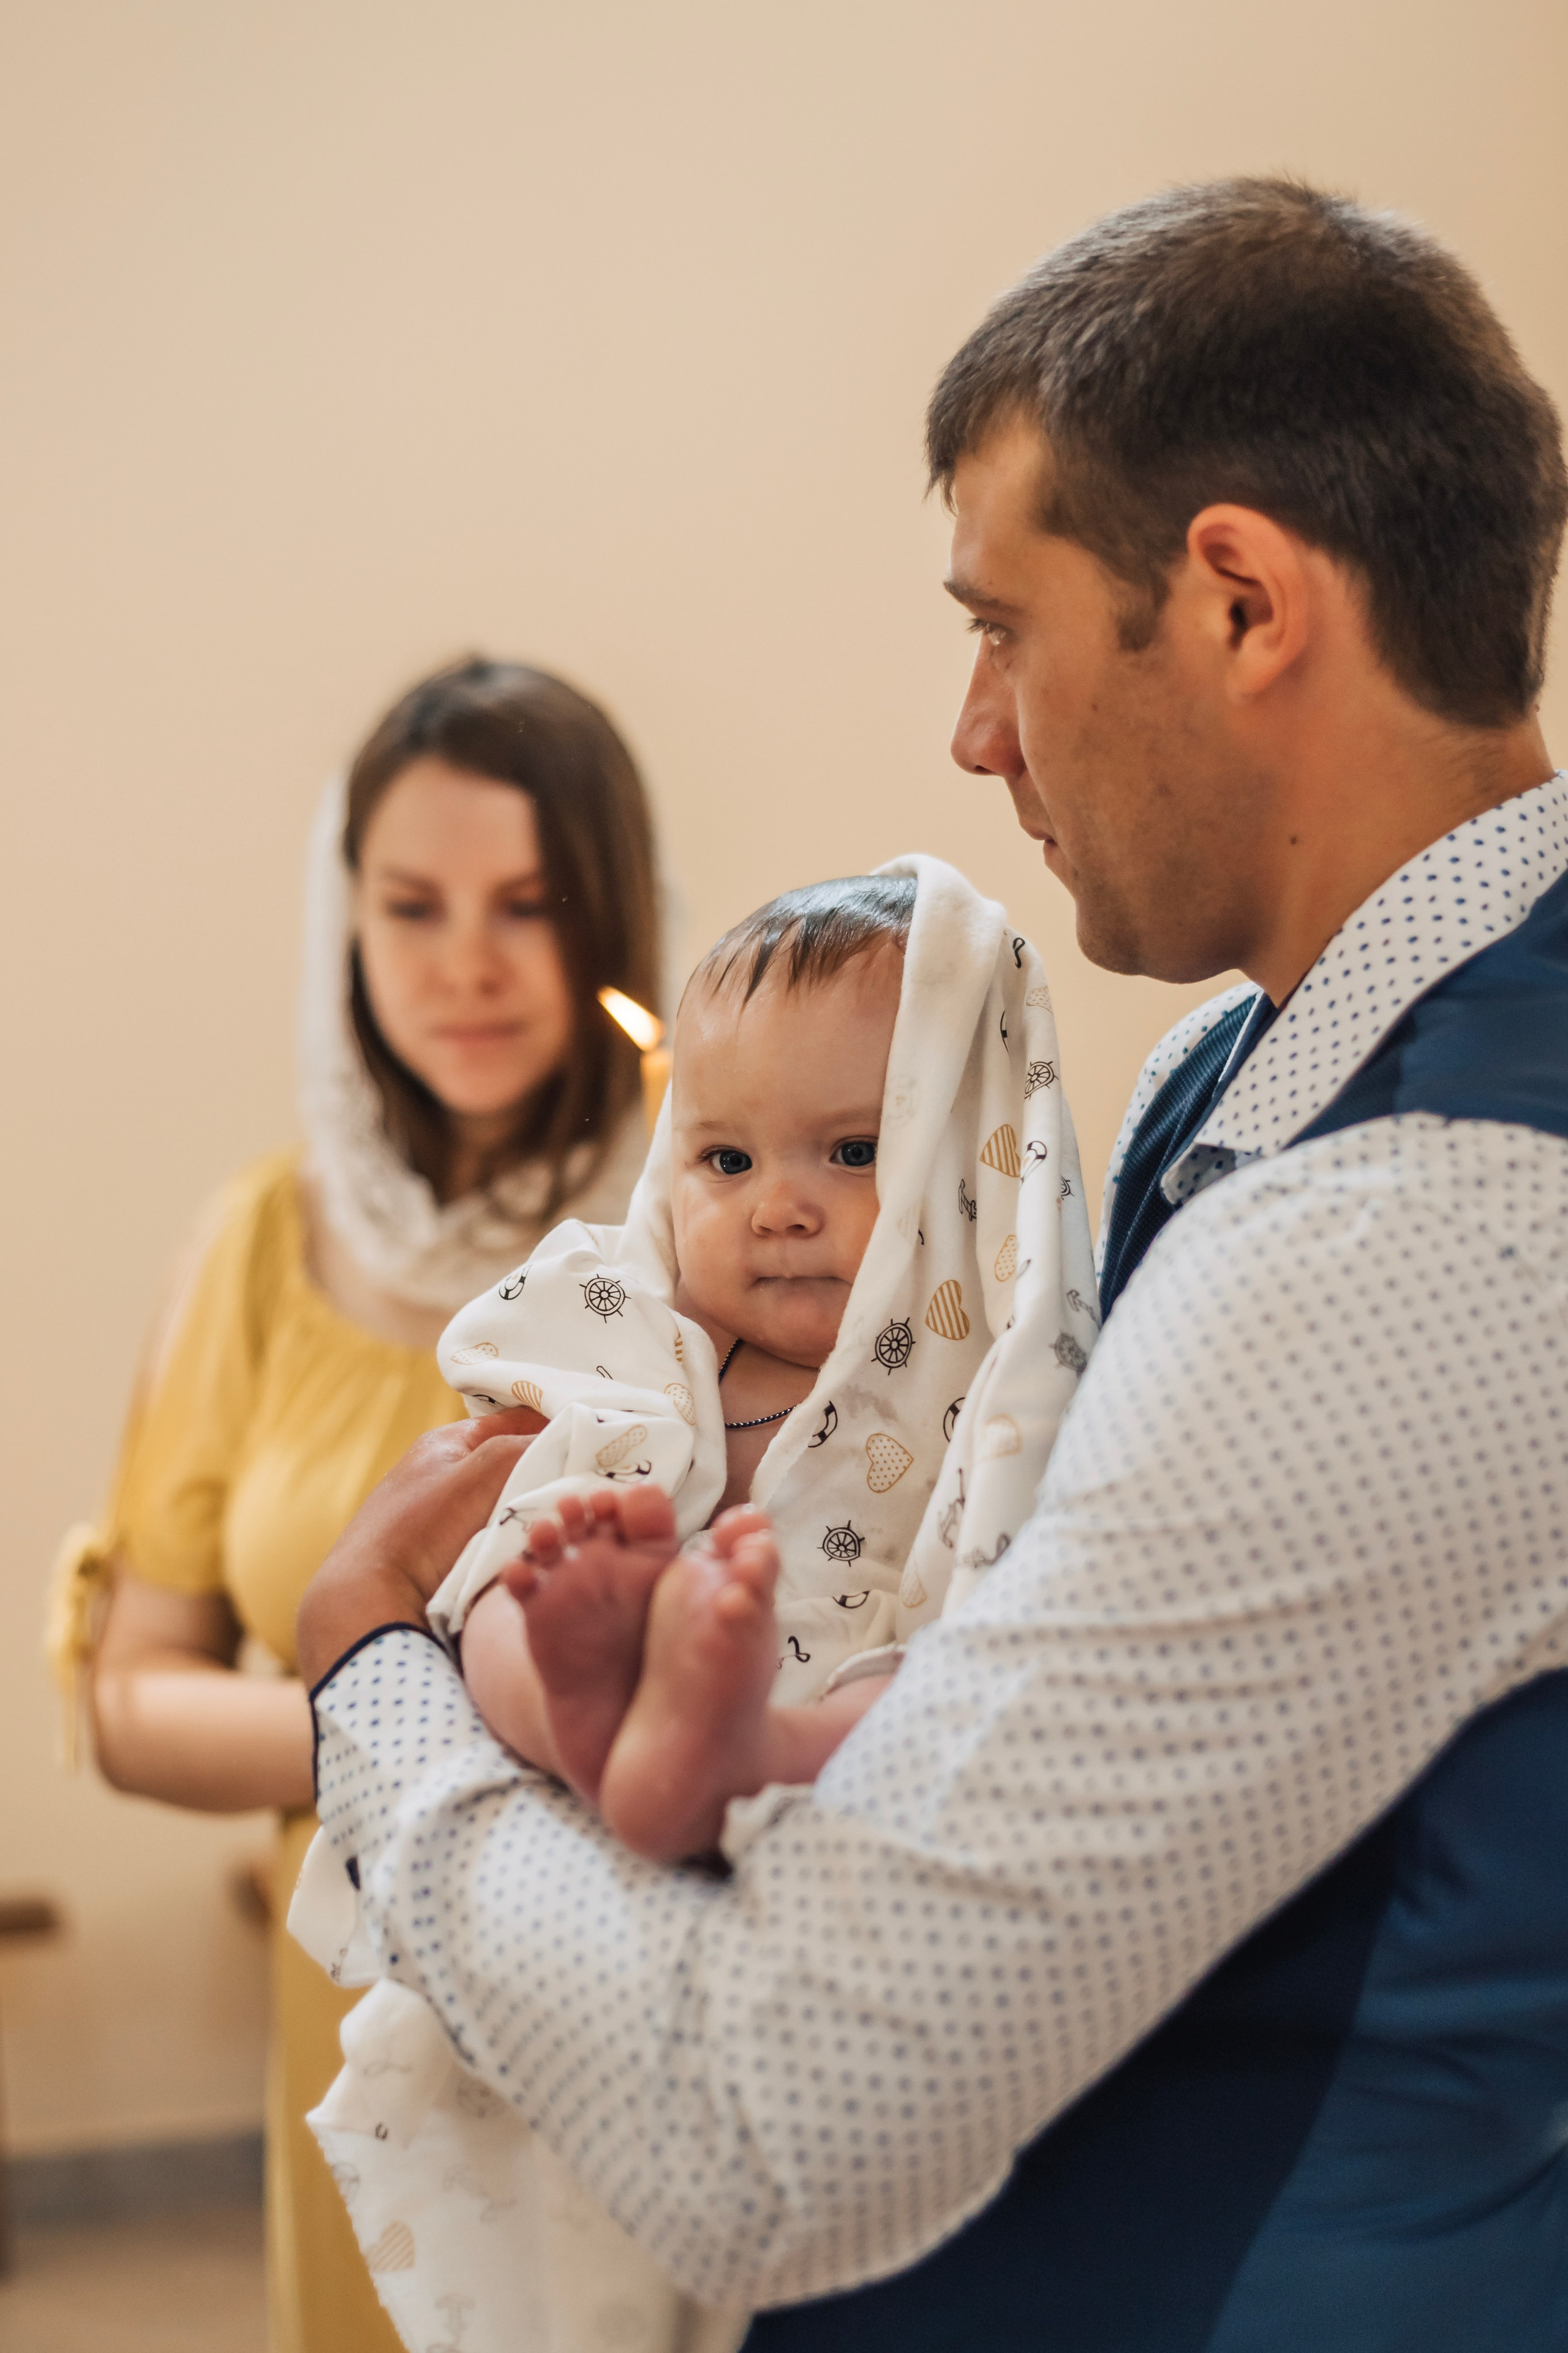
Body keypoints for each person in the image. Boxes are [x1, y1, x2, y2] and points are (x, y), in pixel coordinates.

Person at [296, 179, 1568, 2350]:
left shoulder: (1429, 1218)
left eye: (1007, 625)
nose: (977, 730)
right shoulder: (1243, 1068)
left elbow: (769, 2116)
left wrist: (370, 1684)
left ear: (1245, 603)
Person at [292, 859, 1095, 2353]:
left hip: (825, 1741)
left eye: (850, 1150)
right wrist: (570, 1552)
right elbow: (488, 1509)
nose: (777, 1208)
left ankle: (722, 1749)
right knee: (520, 1589)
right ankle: (609, 1706)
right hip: (596, 1737)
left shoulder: (996, 1386)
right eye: (723, 1163)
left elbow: (1013, 1606)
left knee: (920, 1686)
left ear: (972, 1162)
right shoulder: (638, 1334)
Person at [56, 655, 662, 2353]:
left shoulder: (709, 1222)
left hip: (636, 1993)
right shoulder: (262, 1242)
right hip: (353, 1994)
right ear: (349, 923)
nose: (464, 961)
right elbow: (131, 1690)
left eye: (530, 903)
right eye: (411, 905)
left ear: (615, 910)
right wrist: (424, 1738)